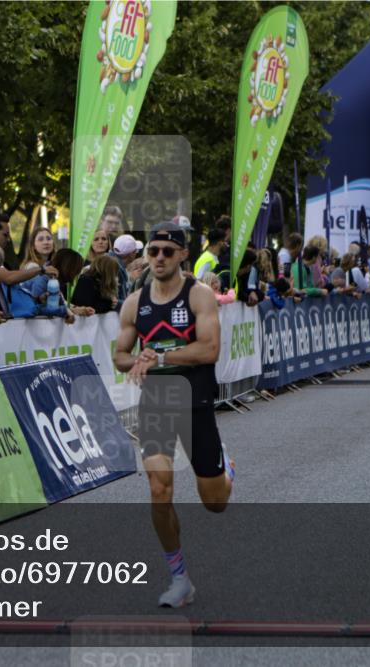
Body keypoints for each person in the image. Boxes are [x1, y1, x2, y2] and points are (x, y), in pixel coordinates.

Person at [113, 221, 234, 609]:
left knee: (215, 502)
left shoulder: (199, 296)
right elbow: (120, 356)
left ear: (183, 254)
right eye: (153, 251)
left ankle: (225, 469)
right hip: (156, 404)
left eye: (168, 251)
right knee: (159, 489)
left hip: (195, 401)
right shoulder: (135, 302)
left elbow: (209, 349)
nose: (159, 258)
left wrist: (161, 356)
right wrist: (138, 359)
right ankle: (179, 578)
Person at [113, 234, 143, 302]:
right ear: (131, 254)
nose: (136, 253)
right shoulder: (117, 270)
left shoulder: (109, 261)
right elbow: (121, 300)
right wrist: (132, 281)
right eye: (135, 251)